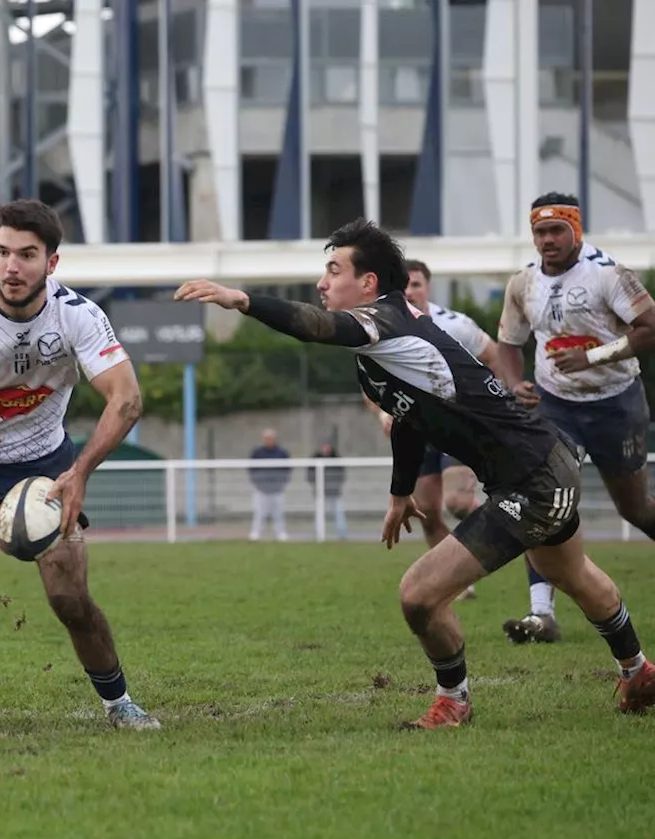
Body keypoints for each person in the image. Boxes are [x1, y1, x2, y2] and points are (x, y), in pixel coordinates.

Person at [175, 217, 655, 729]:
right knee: (570, 573)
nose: (321, 283)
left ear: (369, 283)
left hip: (535, 477)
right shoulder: (384, 337)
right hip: (540, 465)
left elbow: (315, 327)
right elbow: (409, 415)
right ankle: (638, 671)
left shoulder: (382, 320)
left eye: (333, 270)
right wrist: (401, 492)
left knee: (419, 594)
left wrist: (242, 300)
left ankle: (455, 702)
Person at [0, 199, 159, 730]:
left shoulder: (79, 316)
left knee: (70, 598)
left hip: (46, 467)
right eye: (3, 252)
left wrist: (80, 472)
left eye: (27, 255)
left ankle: (119, 704)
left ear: (51, 262)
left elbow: (126, 399)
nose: (12, 267)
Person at [495, 192, 655, 644]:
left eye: (555, 230)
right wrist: (513, 382)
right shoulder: (522, 283)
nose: (547, 240)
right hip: (556, 404)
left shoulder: (609, 275)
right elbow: (509, 342)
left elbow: (650, 328)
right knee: (541, 499)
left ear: (575, 230)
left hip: (616, 402)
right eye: (539, 232)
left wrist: (595, 357)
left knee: (635, 508)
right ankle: (541, 615)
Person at [361, 259, 498, 598]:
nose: (410, 291)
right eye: (404, 286)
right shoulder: (382, 327)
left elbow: (494, 355)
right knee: (425, 511)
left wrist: (486, 399)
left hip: (455, 426)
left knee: (458, 501)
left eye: (417, 284)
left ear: (428, 287)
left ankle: (515, 526)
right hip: (416, 430)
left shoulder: (455, 324)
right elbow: (369, 384)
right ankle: (458, 581)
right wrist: (382, 415)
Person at [248, 429, 291, 541]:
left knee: (279, 513)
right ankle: (256, 533)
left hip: (277, 488)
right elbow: (252, 469)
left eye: (270, 438)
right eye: (266, 438)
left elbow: (287, 470)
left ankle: (280, 533)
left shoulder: (282, 453)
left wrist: (281, 484)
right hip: (262, 489)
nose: (268, 440)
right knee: (259, 513)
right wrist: (258, 484)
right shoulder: (257, 453)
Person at [307, 439, 348, 540]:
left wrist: (335, 485)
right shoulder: (315, 459)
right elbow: (310, 475)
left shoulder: (336, 458)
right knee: (319, 514)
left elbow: (342, 475)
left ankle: (342, 534)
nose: (326, 448)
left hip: (334, 492)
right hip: (320, 493)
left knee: (338, 513)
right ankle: (318, 534)